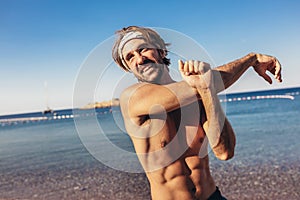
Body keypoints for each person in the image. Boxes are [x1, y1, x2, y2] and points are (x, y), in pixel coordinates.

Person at [112, 26, 282, 200]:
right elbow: (210, 82)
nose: (139, 59)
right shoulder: (132, 98)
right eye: (130, 57)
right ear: (128, 68)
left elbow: (225, 152)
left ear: (161, 51)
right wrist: (251, 59)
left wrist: (206, 90)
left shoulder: (196, 94)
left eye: (143, 49)